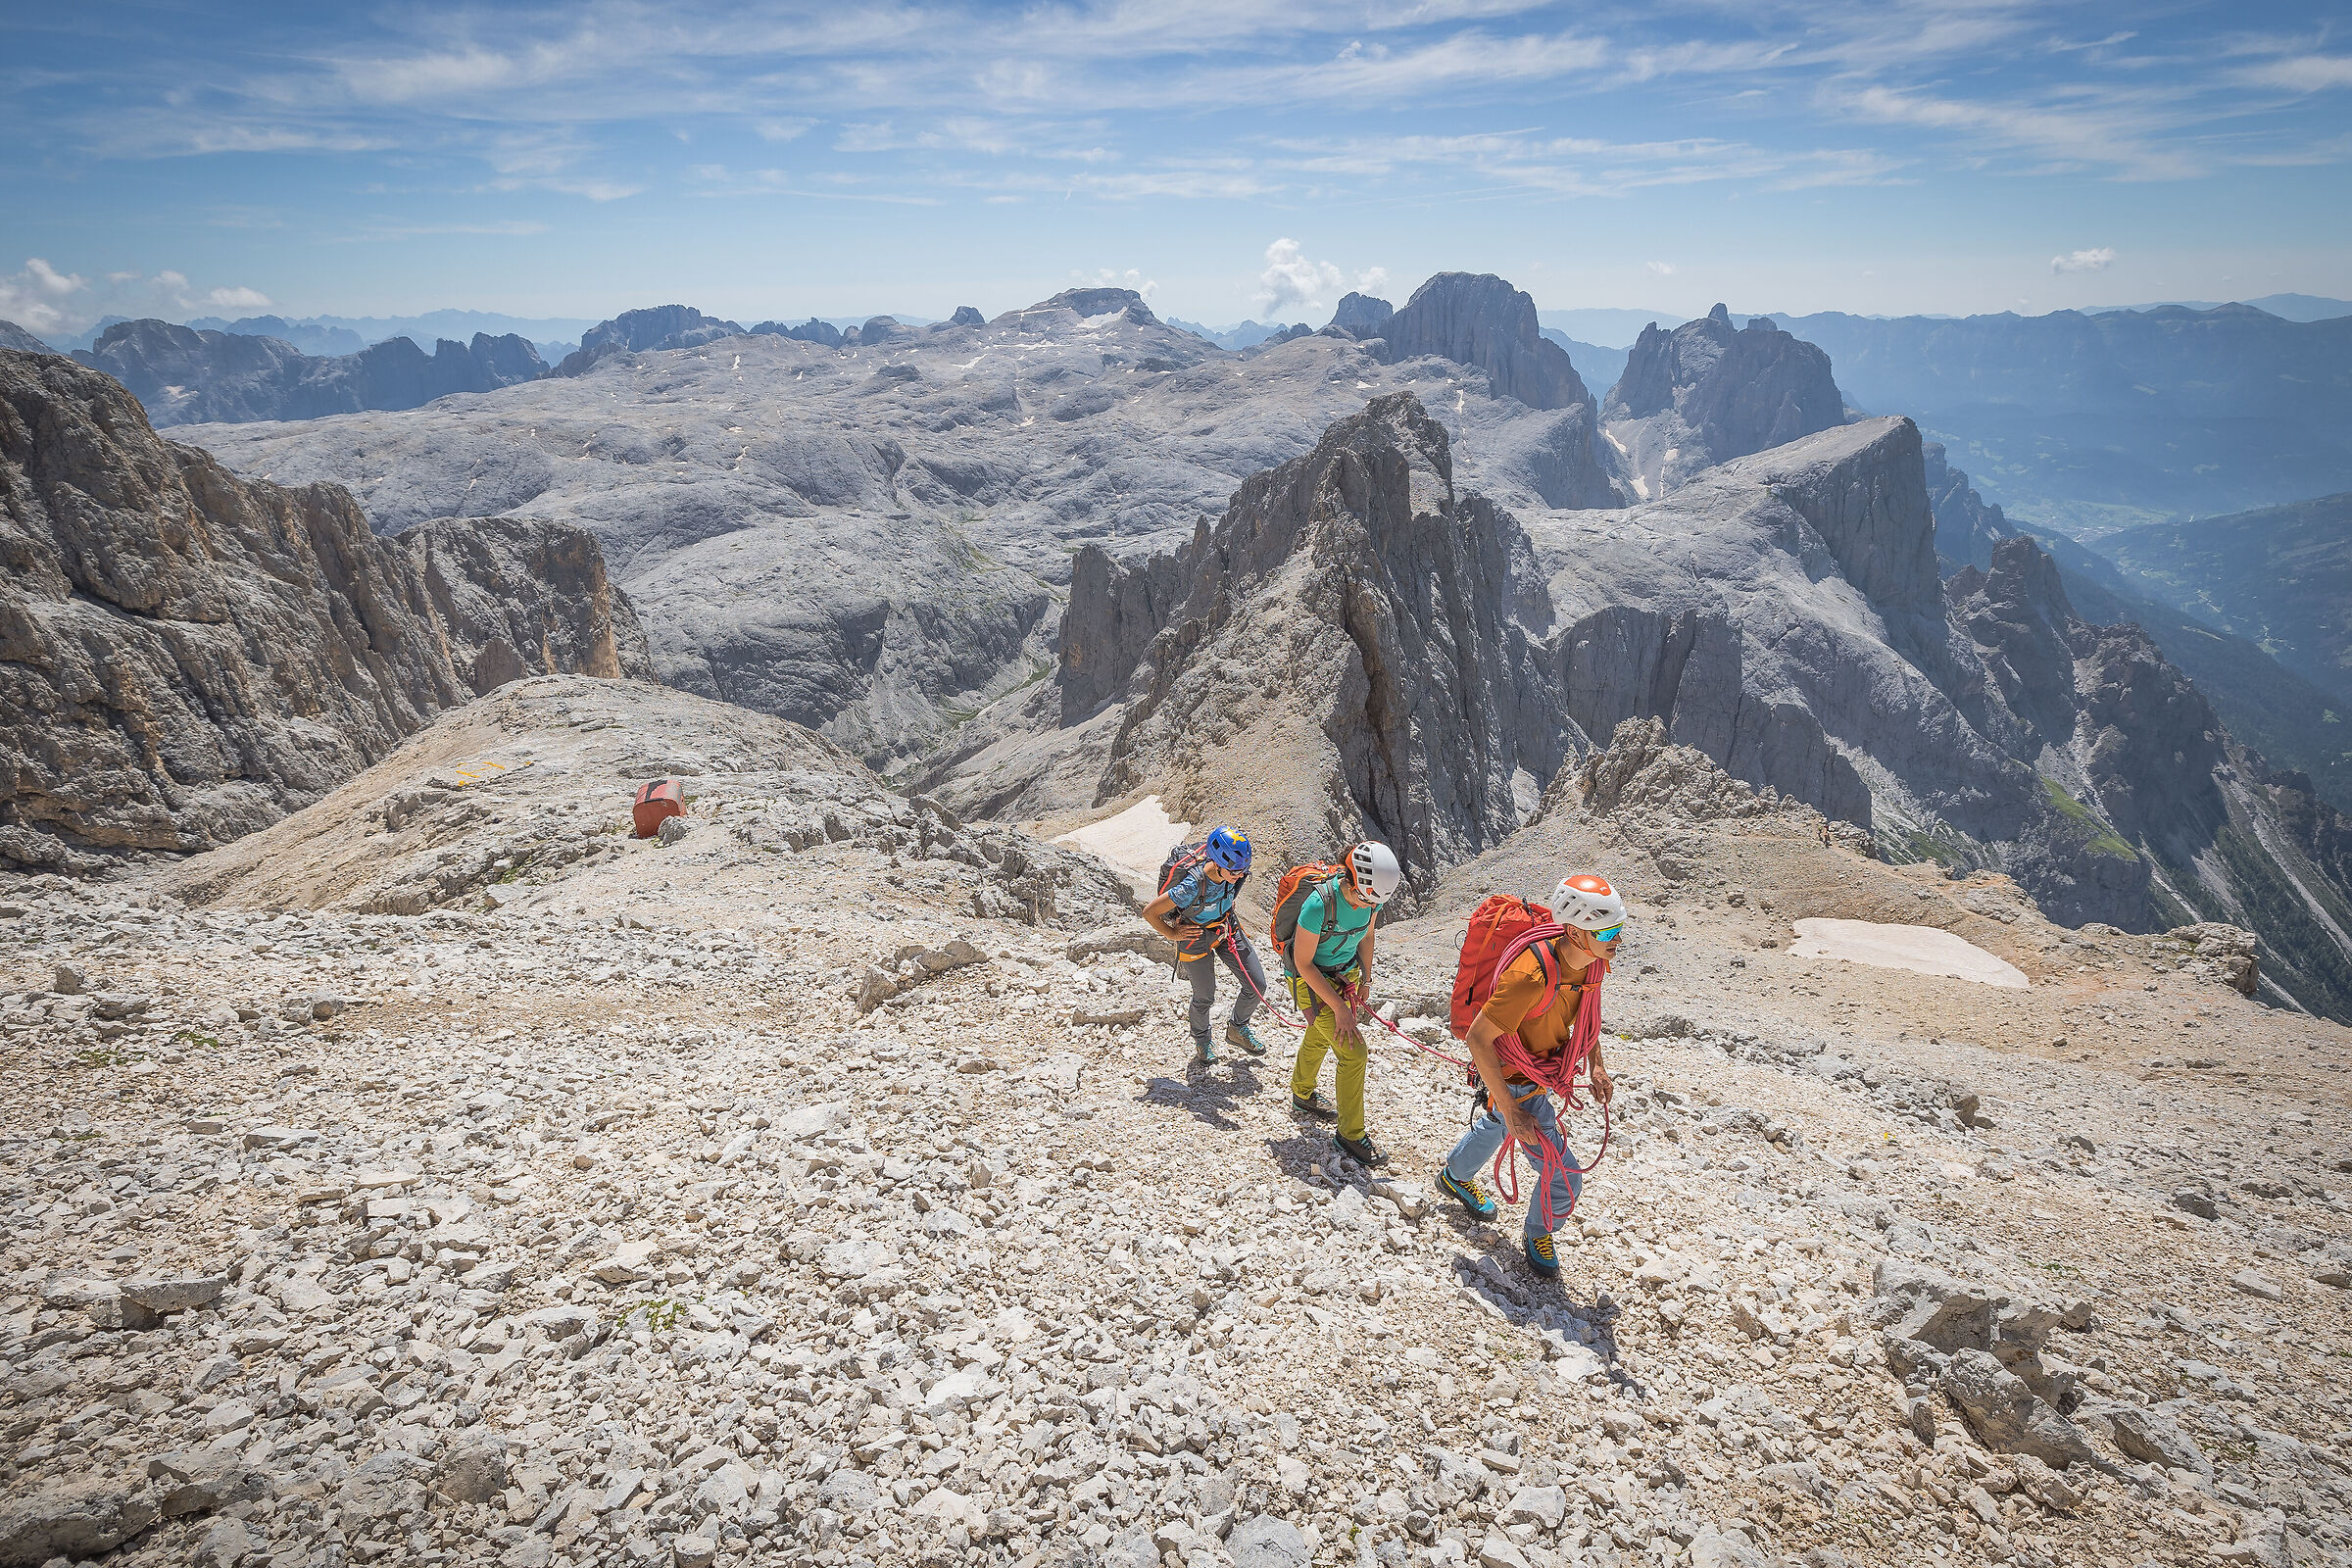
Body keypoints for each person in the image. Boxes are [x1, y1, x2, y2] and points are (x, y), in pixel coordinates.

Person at [1439, 873, 1625, 1278]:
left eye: (1618, 929)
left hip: (1537, 1073)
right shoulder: (1529, 977)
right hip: (1516, 1079)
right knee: (1564, 1178)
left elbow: (1588, 1015)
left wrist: (1597, 1064)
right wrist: (1510, 1106)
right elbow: (1478, 1038)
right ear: (1574, 932)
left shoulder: (1592, 963)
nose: (1616, 940)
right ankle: (1539, 1232)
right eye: (1607, 931)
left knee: (1497, 1124)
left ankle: (1455, 1175)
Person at [1286, 840, 1402, 1167]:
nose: (1369, 907)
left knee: (1322, 1033)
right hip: (1310, 980)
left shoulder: (1371, 897)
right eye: (1364, 899)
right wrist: (1338, 1007)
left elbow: (1367, 936)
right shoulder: (1318, 906)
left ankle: (1302, 1093)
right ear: (1350, 881)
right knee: (1354, 1052)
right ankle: (1350, 1134)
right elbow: (1303, 964)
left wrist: (1366, 979)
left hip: (1344, 971)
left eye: (1374, 903)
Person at [1142, 827, 1268, 1065]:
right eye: (1235, 871)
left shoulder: (1233, 873)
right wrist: (1172, 933)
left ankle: (1237, 1029)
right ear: (1217, 863)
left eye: (1243, 870)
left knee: (1257, 985)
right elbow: (1149, 912)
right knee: (1204, 996)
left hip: (1226, 926)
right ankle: (1202, 1041)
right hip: (1194, 936)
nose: (1240, 875)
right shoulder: (1192, 885)